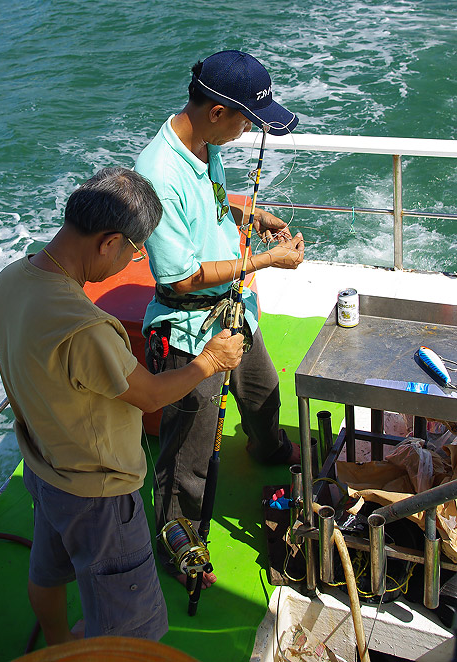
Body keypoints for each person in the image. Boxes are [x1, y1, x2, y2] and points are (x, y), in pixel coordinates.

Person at [0, 166, 243, 645]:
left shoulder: (11, 279)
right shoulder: (86, 328)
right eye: (133, 249)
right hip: (98, 493)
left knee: (47, 573)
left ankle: (60, 644)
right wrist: (210, 359)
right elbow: (149, 394)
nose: (134, 259)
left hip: (44, 470)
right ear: (107, 242)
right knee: (137, 629)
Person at [134, 50, 305, 584]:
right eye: (247, 120)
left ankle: (268, 445)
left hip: (235, 310)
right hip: (191, 329)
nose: (248, 129)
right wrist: (265, 259)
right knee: (188, 452)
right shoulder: (156, 173)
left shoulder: (204, 144)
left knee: (263, 392)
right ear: (215, 112)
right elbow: (178, 279)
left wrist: (247, 213)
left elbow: (206, 205)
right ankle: (179, 537)